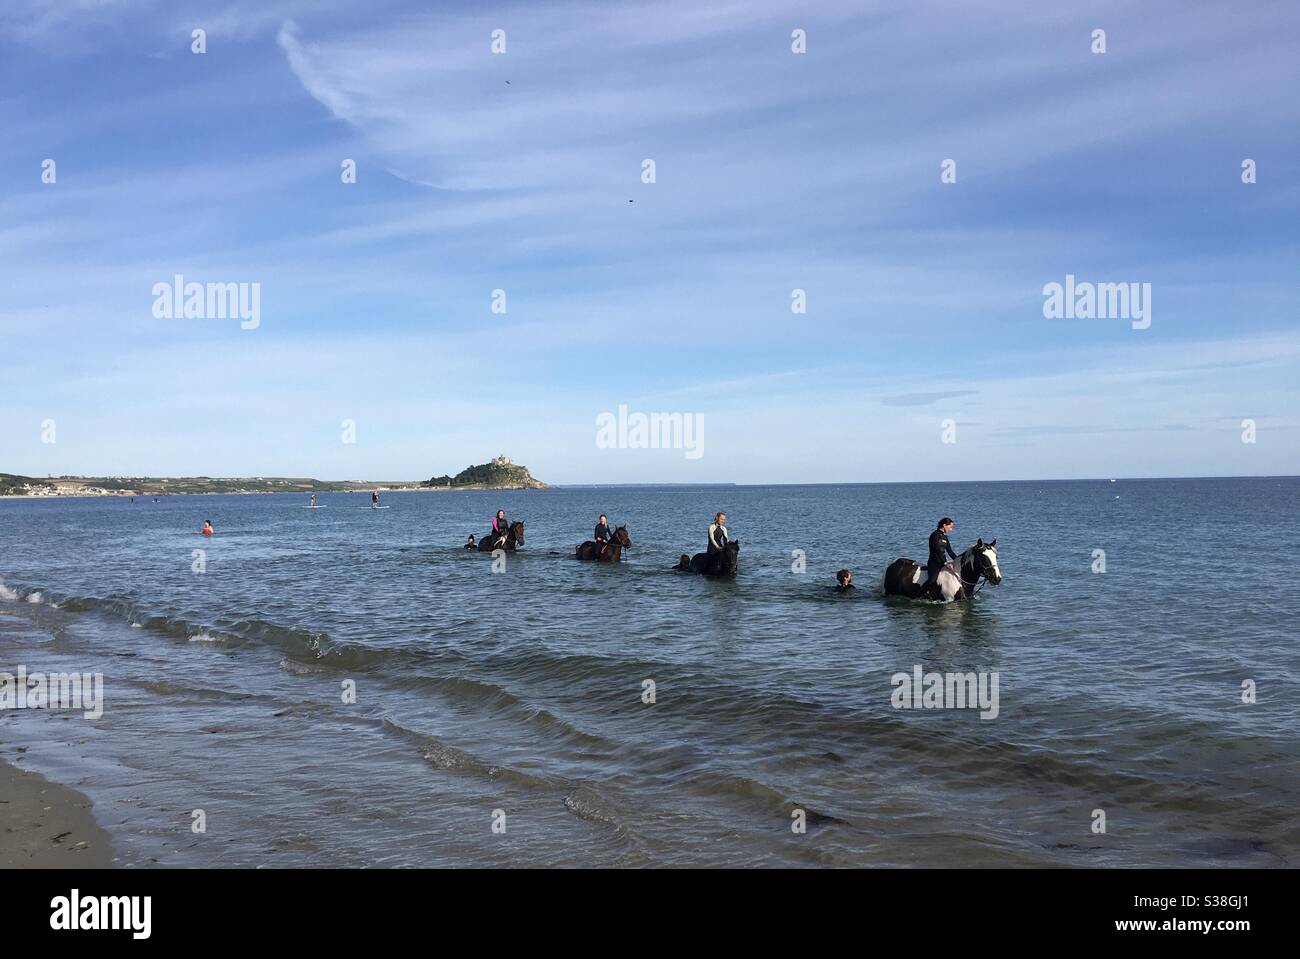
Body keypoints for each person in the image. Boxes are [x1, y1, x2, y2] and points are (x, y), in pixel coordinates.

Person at [923, 517, 958, 598]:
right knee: (932, 580)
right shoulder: (934, 535)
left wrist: (958, 561)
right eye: (950, 527)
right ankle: (919, 595)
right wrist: (945, 562)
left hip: (943, 562)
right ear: (944, 525)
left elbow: (950, 552)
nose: (951, 529)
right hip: (934, 563)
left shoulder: (945, 538)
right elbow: (937, 550)